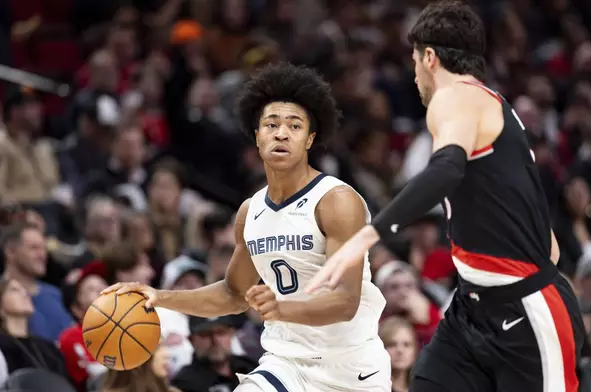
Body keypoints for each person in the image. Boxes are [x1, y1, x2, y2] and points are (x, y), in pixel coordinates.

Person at [305, 2, 586, 392]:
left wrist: (368, 236)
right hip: (474, 307)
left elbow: (446, 169)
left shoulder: (454, 97)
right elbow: (544, 238)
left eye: (415, 59)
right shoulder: (488, 108)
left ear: (430, 57)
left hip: (525, 311)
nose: (414, 72)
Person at [103, 62, 390, 392]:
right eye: (271, 124)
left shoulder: (337, 201)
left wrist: (281, 307)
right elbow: (232, 294)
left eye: (294, 126)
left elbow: (345, 300)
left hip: (350, 369)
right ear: (257, 136)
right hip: (285, 363)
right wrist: (160, 296)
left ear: (310, 138)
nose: (281, 133)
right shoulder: (250, 211)